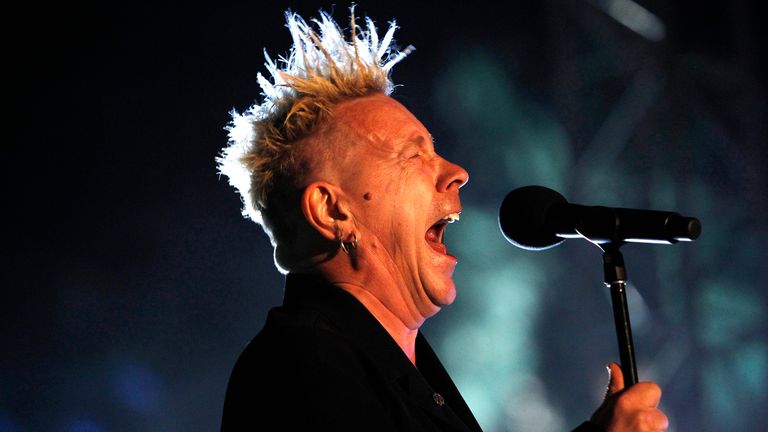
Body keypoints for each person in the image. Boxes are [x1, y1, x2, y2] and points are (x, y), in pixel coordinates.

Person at [216, 8, 669, 432]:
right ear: (333, 211)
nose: (457, 173)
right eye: (414, 155)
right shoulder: (301, 366)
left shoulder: (396, 370)